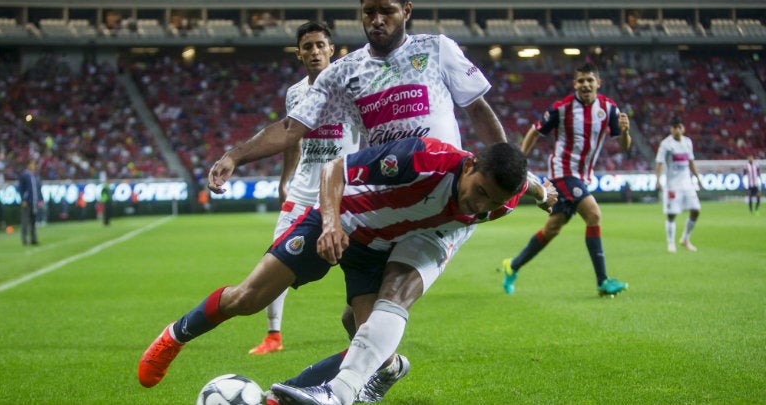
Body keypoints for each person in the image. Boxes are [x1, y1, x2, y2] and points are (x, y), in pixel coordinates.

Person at [140, 0, 543, 400]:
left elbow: (478, 110)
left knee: (373, 325)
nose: (377, 20)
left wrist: (509, 167)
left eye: (387, 11)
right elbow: (292, 128)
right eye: (368, 12)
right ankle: (175, 335)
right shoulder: (345, 71)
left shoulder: (437, 50)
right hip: (366, 202)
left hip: (431, 211)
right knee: (250, 297)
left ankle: (319, 391)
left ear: (405, 10)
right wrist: (234, 155)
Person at [139, 138, 551, 399]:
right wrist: (332, 223)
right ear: (468, 166)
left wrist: (542, 190)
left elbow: (528, 183)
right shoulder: (423, 157)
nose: (479, 206)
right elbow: (334, 168)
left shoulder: (504, 197)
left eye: (491, 203)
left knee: (370, 338)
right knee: (248, 298)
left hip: (379, 251)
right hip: (339, 220)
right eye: (478, 192)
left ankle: (338, 386)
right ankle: (174, 336)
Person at [249, 21, 361, 356]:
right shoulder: (296, 93)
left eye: (320, 45)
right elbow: (291, 140)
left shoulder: (351, 88)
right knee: (274, 257)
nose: (314, 52)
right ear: (299, 53)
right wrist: (285, 179)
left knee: (359, 264)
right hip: (301, 191)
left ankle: (364, 339)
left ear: (332, 50)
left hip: (345, 192)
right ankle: (273, 336)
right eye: (307, 46)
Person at [501, 62, 631, 297]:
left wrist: (626, 131)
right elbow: (535, 131)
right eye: (581, 81)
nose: (585, 85)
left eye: (590, 80)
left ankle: (513, 265)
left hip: (582, 176)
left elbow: (622, 145)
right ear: (575, 84)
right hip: (563, 172)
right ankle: (603, 281)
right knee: (593, 215)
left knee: (552, 228)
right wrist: (520, 160)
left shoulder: (609, 109)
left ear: (598, 83)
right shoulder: (562, 108)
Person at [655, 116, 703, 253]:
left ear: (683, 128)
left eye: (679, 127)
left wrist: (698, 178)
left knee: (696, 210)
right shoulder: (666, 144)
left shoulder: (688, 142)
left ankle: (685, 239)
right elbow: (659, 162)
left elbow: (691, 162)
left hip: (687, 183)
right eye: (674, 127)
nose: (677, 130)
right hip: (673, 185)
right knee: (672, 214)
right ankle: (670, 243)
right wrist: (657, 179)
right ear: (671, 129)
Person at [18, 159, 42, 246]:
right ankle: (24, 240)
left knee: (33, 221)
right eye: (32, 164)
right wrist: (23, 200)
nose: (33, 166)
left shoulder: (35, 175)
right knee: (25, 221)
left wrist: (40, 199)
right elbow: (21, 188)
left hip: (34, 202)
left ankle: (33, 239)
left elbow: (38, 189)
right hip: (27, 202)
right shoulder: (24, 175)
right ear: (28, 165)